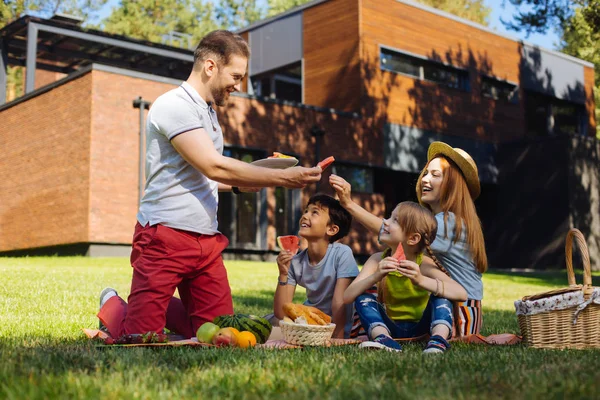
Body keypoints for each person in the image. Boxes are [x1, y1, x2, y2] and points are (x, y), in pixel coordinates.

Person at [97, 30, 322, 339]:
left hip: (206, 243)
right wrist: (284, 179)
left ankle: (147, 304)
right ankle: (114, 307)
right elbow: (213, 165)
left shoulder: (209, 113)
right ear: (210, 67)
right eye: (235, 76)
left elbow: (205, 176)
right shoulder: (174, 105)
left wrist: (245, 183)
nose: (238, 86)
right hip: (164, 237)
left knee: (218, 335)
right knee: (140, 339)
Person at [330, 141, 487, 337]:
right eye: (426, 173)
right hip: (457, 302)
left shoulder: (449, 223)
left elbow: (395, 235)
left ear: (453, 185)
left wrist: (348, 204)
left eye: (435, 175)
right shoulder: (447, 219)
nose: (424, 180)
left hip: (460, 308)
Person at [343, 201, 467, 353]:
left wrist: (421, 280)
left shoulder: (424, 264)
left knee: (442, 296)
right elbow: (348, 296)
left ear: (413, 238)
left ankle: (438, 340)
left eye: (394, 220)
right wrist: (376, 276)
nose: (385, 222)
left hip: (422, 328)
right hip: (389, 328)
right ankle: (382, 338)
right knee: (362, 296)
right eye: (389, 217)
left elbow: (461, 294)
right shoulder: (377, 260)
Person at [273, 194, 359, 339]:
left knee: (274, 333)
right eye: (306, 211)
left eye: (314, 212)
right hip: (309, 322)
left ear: (331, 230)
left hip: (334, 325)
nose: (305, 216)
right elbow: (282, 312)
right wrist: (283, 274)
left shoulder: (342, 254)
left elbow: (339, 302)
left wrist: (336, 339)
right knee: (269, 322)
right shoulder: (296, 261)